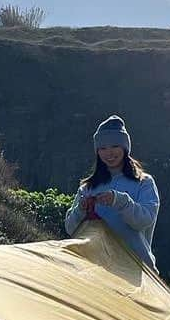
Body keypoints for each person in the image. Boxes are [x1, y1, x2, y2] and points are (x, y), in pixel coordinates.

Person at [64, 114, 160, 271]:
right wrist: (81, 209)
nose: (109, 153)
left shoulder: (144, 183)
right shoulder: (88, 187)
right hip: (96, 269)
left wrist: (120, 201)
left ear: (125, 147)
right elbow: (70, 228)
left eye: (115, 146)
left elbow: (144, 220)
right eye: (102, 148)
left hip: (135, 269)